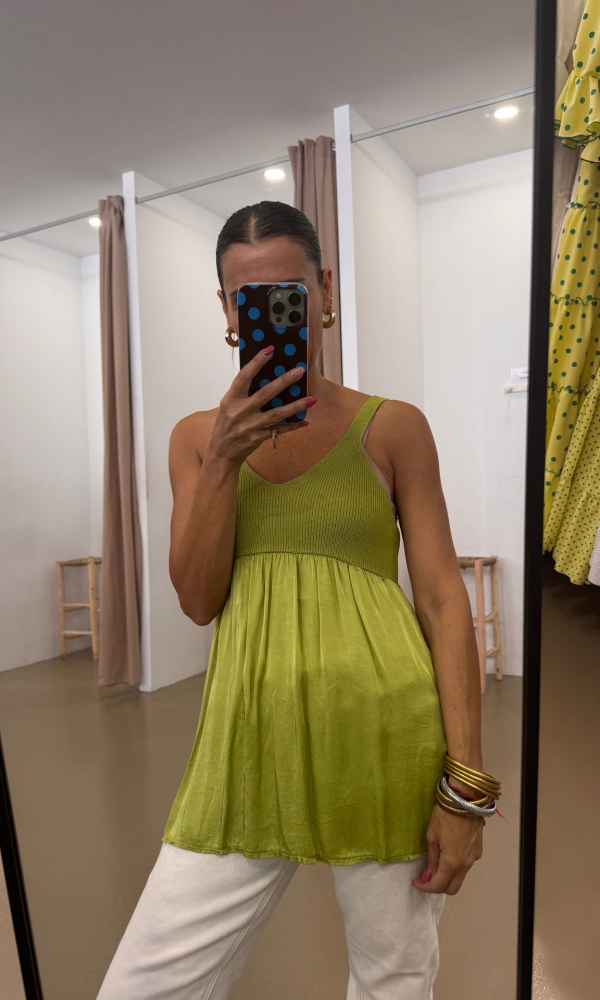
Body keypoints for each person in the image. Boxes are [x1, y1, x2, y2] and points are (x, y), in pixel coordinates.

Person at [97, 201, 501, 1000]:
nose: (271, 312)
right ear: (226, 311)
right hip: (244, 742)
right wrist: (225, 460)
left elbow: (442, 602)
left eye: (288, 292)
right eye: (248, 299)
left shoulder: (393, 428)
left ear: (324, 291)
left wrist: (465, 789)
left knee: (394, 980)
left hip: (386, 739)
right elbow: (198, 599)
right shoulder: (194, 438)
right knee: (145, 985)